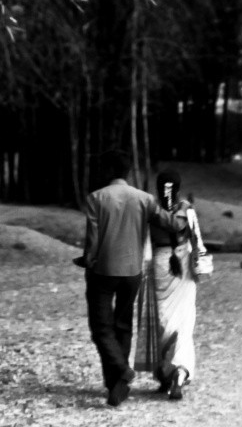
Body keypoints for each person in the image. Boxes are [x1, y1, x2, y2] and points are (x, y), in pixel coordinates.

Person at [77, 149, 185, 408]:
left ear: (107, 171)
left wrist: (87, 260)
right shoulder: (144, 198)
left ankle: (121, 371)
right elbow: (172, 223)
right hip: (132, 273)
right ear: (127, 172)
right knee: (122, 325)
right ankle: (117, 387)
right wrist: (184, 214)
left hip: (103, 271)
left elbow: (92, 240)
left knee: (101, 327)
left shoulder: (96, 198)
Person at [135, 169, 208, 400]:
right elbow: (198, 240)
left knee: (162, 320)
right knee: (184, 320)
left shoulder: (150, 211)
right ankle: (179, 371)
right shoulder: (187, 209)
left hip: (159, 263)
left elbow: (141, 240)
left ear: (159, 188)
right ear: (176, 188)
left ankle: (164, 374)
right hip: (183, 264)